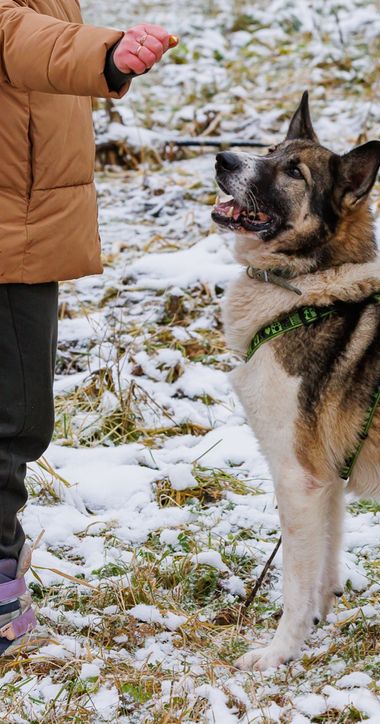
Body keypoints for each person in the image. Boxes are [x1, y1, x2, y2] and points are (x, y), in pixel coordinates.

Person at [0, 0, 176, 654]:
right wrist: (100, 53)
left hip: (22, 221)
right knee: (13, 420)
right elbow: (14, 35)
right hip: (9, 230)